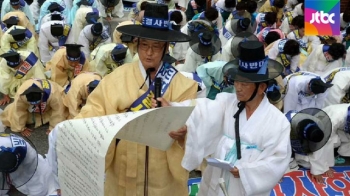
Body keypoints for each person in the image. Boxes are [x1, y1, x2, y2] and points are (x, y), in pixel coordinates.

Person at [49, 3, 199, 195]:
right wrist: (71, 129)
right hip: (123, 166)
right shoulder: (116, 78)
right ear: (136, 45)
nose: (149, 52)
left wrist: (182, 132)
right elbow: (94, 110)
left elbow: (193, 128)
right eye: (144, 45)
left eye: (156, 46)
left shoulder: (183, 85)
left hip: (162, 173)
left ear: (166, 48)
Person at [156, 40, 290, 195]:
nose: (238, 88)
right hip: (215, 179)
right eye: (237, 81)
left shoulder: (278, 123)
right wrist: (173, 109)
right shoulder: (227, 102)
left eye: (245, 84)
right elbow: (201, 111)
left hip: (245, 188)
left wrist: (245, 171)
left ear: (261, 87)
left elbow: (277, 161)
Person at [0, 79, 68, 136]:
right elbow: (18, 110)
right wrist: (21, 128)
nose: (37, 104)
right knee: (10, 114)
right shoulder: (21, 95)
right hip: (30, 109)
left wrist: (53, 128)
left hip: (49, 107)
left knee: (64, 112)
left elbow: (58, 110)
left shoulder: (53, 94)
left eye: (38, 102)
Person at [285, 108, 334, 184]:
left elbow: (318, 146)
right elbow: (279, 147)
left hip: (303, 142)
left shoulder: (318, 124)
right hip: (286, 144)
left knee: (310, 165)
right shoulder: (284, 124)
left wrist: (318, 170)